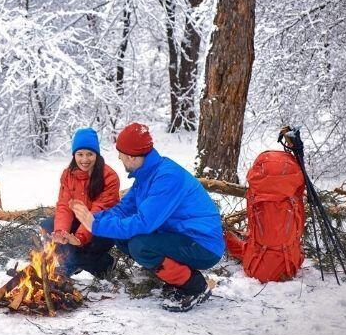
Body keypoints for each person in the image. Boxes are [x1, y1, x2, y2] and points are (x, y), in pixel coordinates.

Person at [69, 123, 224, 312]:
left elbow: (144, 223)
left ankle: (195, 286)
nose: (119, 158)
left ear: (132, 157)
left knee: (140, 245)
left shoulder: (166, 177)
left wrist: (96, 226)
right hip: (179, 237)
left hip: (202, 244)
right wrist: (93, 219)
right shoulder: (146, 175)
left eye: (121, 154)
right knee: (122, 236)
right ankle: (175, 277)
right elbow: (123, 210)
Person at [41, 127, 120, 279]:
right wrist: (60, 232)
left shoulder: (109, 177)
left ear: (96, 154)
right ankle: (73, 261)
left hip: (103, 227)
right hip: (80, 224)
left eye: (89, 154)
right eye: (80, 154)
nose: (84, 160)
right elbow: (64, 205)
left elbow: (97, 212)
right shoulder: (68, 175)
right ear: (74, 155)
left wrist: (79, 238)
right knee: (48, 226)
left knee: (78, 249)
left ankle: (105, 264)